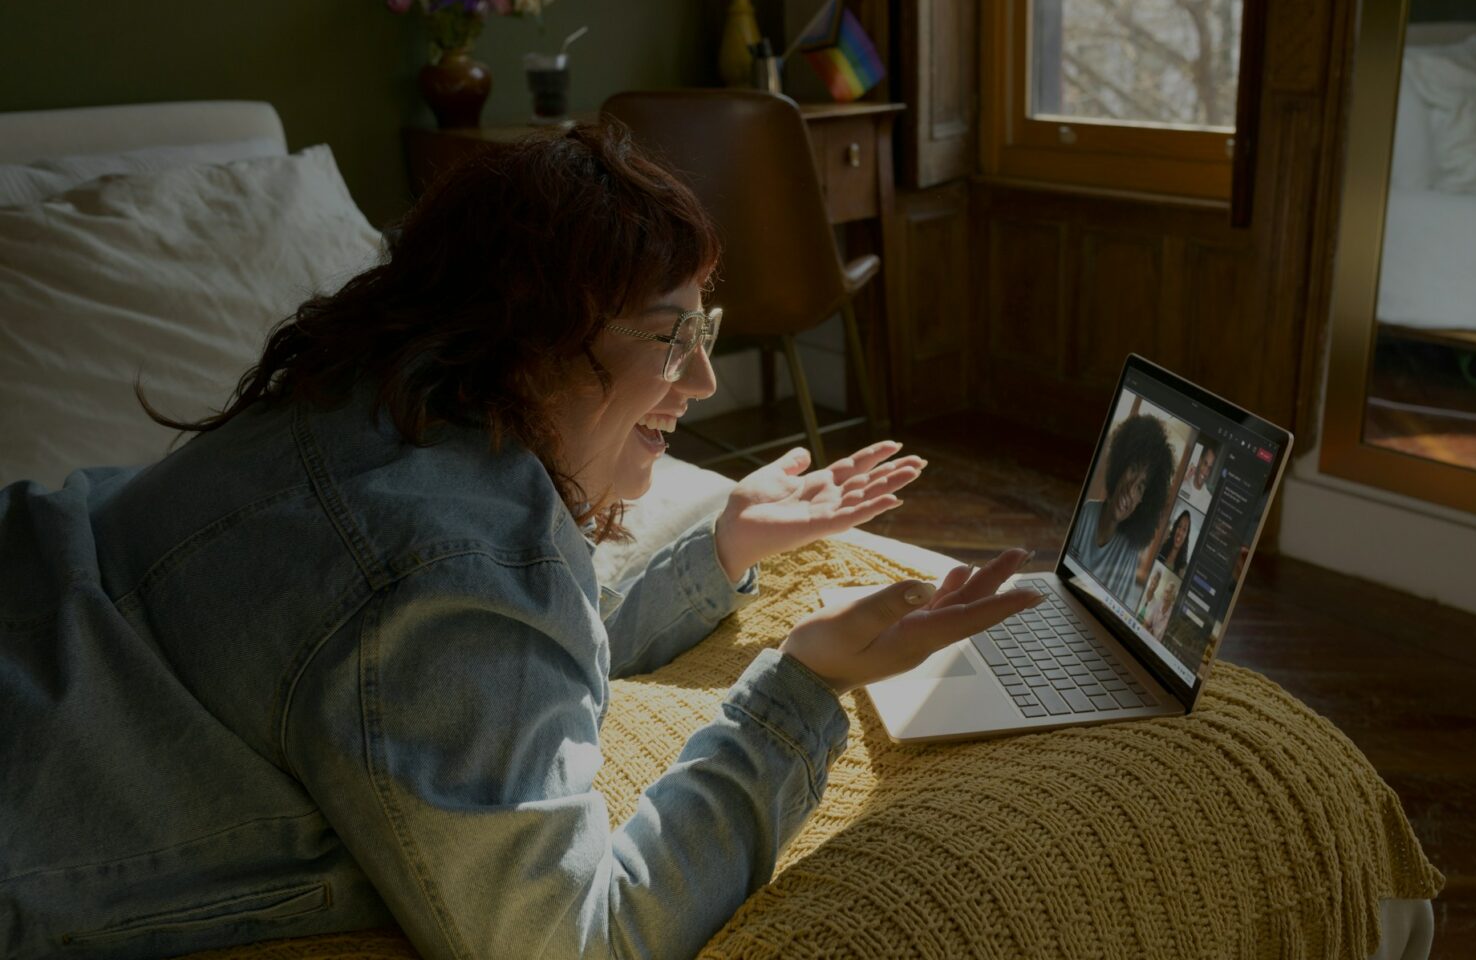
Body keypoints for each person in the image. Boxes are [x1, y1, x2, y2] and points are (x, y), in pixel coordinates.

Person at [0, 123, 1041, 960]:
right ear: (533, 334)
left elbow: (436, 660)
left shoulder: (357, 398)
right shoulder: (448, 567)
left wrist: (717, 550)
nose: (704, 382)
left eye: (704, 331)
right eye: (671, 337)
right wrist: (805, 682)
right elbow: (575, 938)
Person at [1066, 413, 1175, 607]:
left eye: (1141, 487)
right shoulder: (1086, 513)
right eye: (1133, 469)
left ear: (1144, 501)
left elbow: (1110, 615)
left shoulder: (1128, 554)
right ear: (1121, 464)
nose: (1131, 489)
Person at [1156, 509, 1193, 577]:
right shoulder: (1161, 548)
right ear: (1175, 528)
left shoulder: (1183, 568)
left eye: (1184, 529)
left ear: (1186, 536)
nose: (1180, 533)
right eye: (1179, 526)